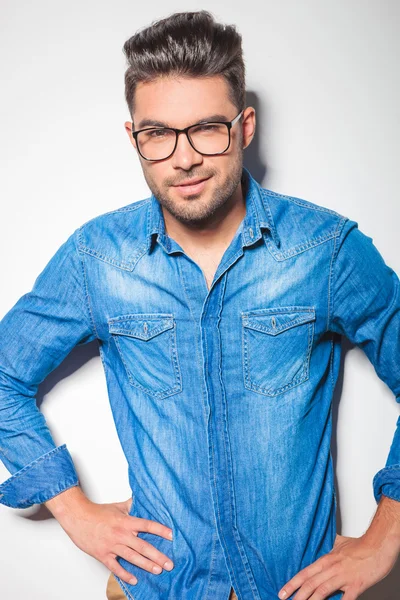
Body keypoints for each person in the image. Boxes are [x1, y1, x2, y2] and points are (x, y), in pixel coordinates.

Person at [0, 9, 399, 600]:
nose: (182, 158)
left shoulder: (325, 250)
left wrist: (384, 539)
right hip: (163, 587)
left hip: (295, 588)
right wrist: (74, 511)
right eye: (157, 133)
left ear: (245, 126)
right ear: (133, 137)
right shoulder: (98, 259)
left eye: (206, 128)